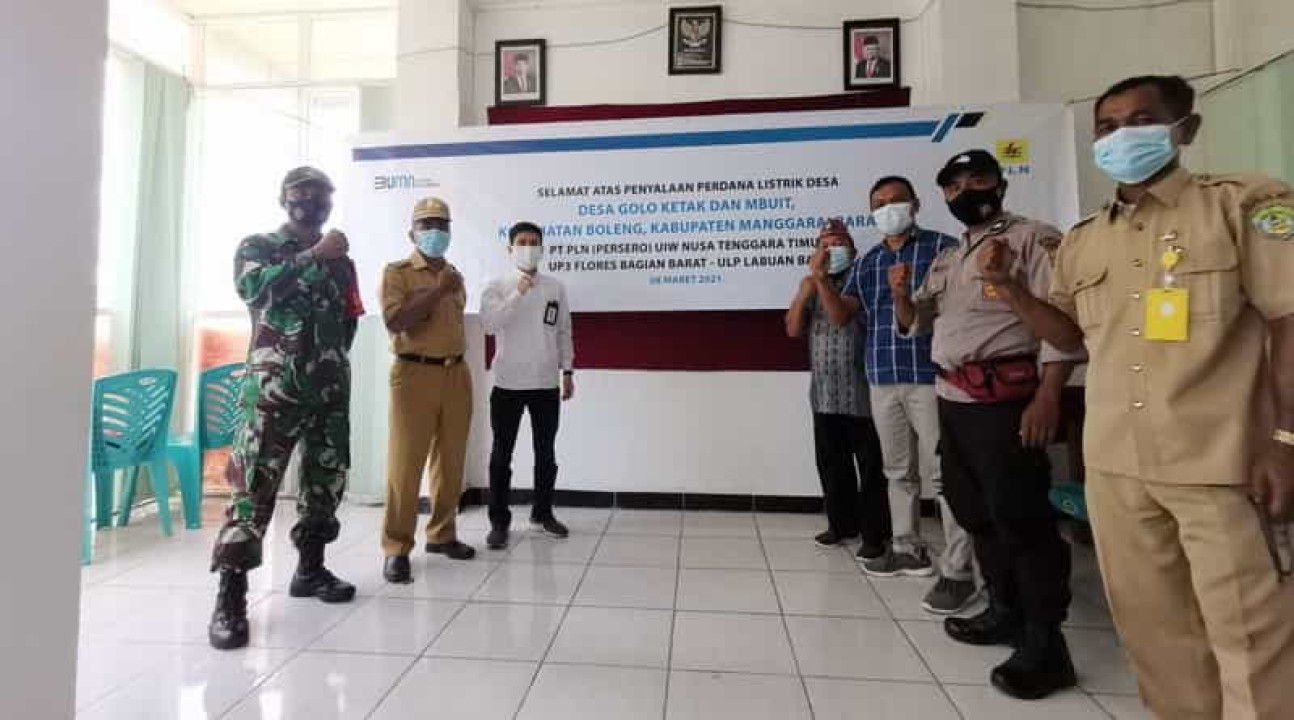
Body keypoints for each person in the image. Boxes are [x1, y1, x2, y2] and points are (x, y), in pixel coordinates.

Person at [996, 74, 1294, 719]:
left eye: (1140, 120)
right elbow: (1069, 337)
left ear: (1185, 129)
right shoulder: (1083, 240)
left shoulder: (1241, 205)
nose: (1121, 136)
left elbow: (1288, 320)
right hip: (1115, 466)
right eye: (1107, 126)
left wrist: (1285, 440)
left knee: (1252, 636)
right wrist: (1014, 291)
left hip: (1220, 462)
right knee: (1155, 633)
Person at [896, 149, 1083, 699]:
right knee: (975, 512)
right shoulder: (950, 258)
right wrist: (899, 295)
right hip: (954, 401)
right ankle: (1005, 611)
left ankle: (1047, 643)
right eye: (954, 187)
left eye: (977, 179)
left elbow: (1064, 327)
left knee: (1022, 519)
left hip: (1007, 403)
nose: (966, 192)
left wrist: (1049, 396)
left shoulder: (1031, 240)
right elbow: (916, 322)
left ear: (999, 184)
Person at [208, 166, 363, 650]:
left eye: (321, 196)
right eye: (302, 195)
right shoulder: (258, 247)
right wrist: (314, 256)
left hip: (328, 390)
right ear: (283, 200)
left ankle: (310, 569)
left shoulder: (343, 264)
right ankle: (231, 597)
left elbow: (350, 319)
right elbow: (254, 290)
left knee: (325, 480)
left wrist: (329, 361)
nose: (311, 203)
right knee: (254, 486)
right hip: (273, 391)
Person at [816, 175, 977, 614]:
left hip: (933, 376)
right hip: (882, 377)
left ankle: (959, 568)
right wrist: (822, 281)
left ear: (915, 204)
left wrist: (907, 295)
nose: (888, 209)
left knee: (944, 472)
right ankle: (908, 549)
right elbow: (842, 316)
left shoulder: (945, 249)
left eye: (895, 200)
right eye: (879, 203)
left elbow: (964, 310)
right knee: (897, 471)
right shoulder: (869, 261)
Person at [380, 196, 476, 584]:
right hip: (413, 374)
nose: (435, 231)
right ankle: (397, 547)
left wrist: (445, 285)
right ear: (412, 233)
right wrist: (437, 291)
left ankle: (442, 534)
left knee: (451, 461)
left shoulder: (455, 274)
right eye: (427, 225)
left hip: (456, 373)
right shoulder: (397, 273)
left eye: (441, 225)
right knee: (405, 466)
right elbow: (396, 321)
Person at [786, 219, 892, 557]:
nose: (831, 250)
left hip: (863, 393)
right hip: (824, 394)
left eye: (838, 243)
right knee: (833, 465)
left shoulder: (862, 278)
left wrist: (820, 281)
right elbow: (793, 330)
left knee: (871, 468)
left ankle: (875, 535)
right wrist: (804, 294)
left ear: (853, 250)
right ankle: (841, 525)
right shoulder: (810, 284)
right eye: (825, 244)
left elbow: (840, 318)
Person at [479, 222, 575, 549]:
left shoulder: (555, 287)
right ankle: (499, 522)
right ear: (510, 248)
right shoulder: (496, 285)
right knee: (501, 455)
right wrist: (518, 293)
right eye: (522, 242)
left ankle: (542, 513)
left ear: (542, 248)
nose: (529, 247)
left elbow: (564, 331)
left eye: (534, 242)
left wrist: (568, 371)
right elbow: (490, 324)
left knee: (546, 453)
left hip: (546, 382)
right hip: (508, 383)